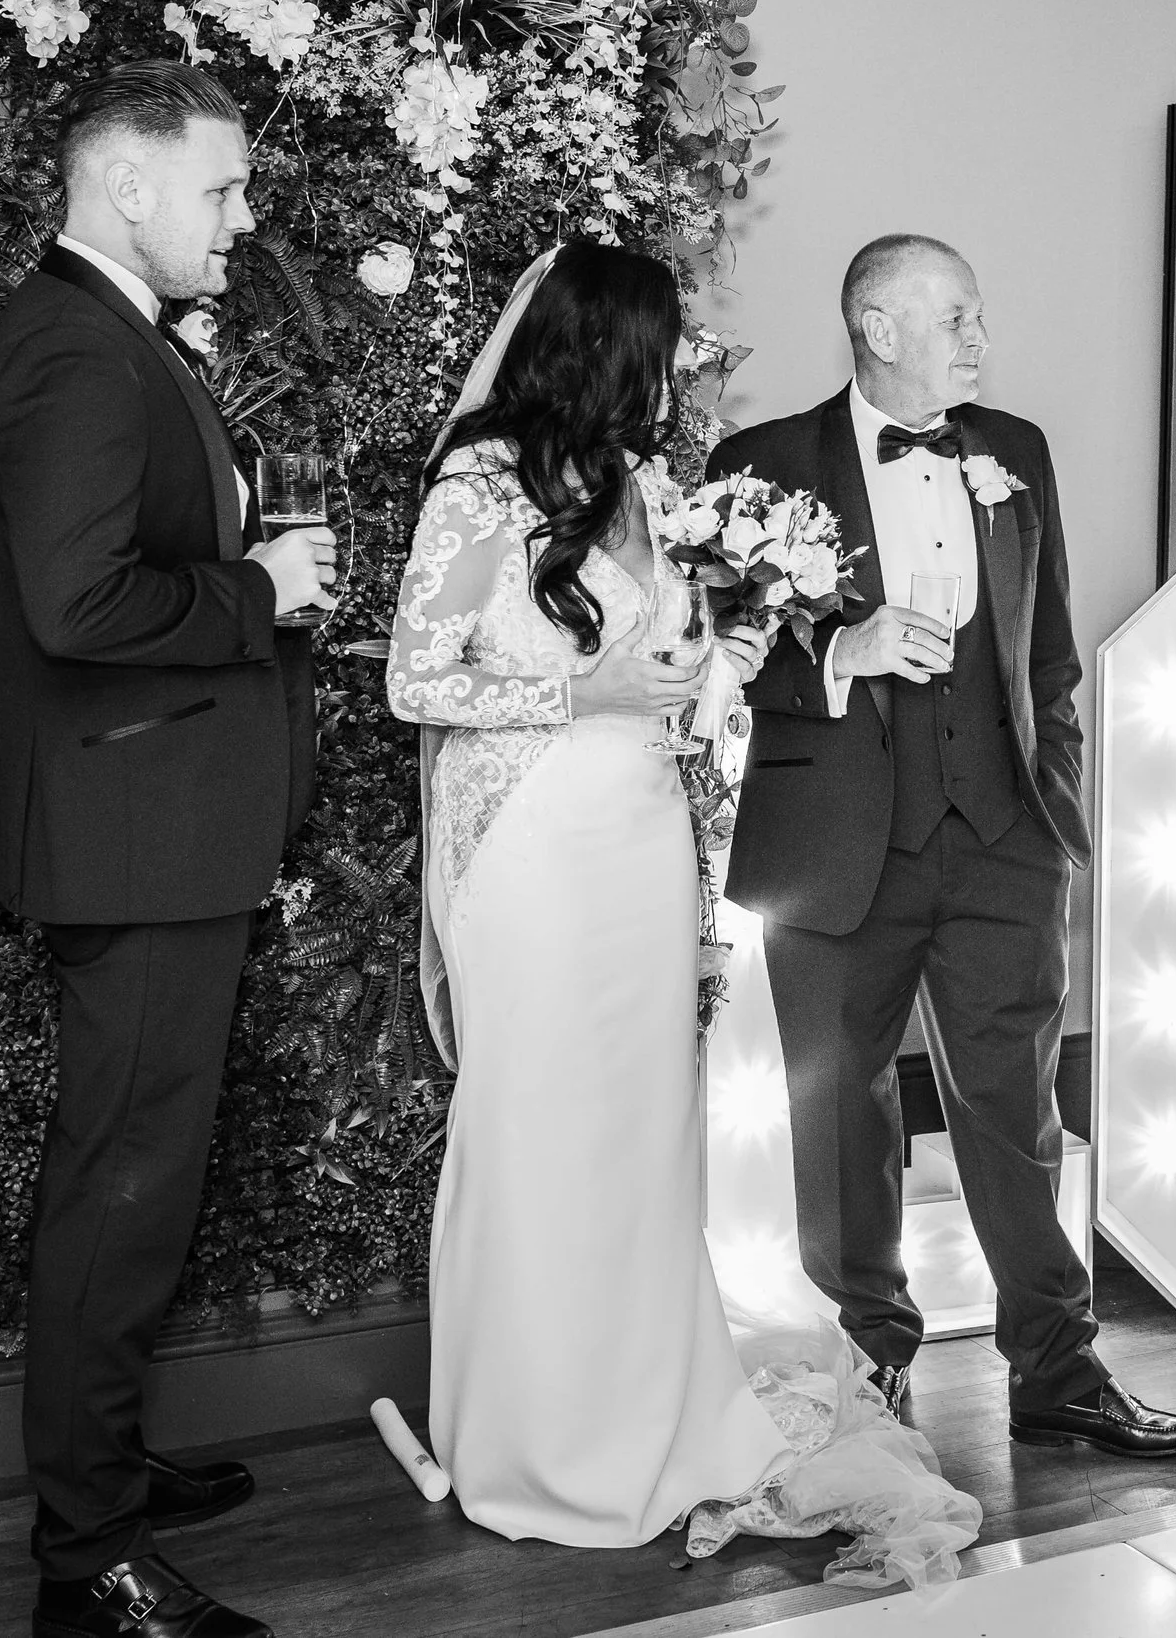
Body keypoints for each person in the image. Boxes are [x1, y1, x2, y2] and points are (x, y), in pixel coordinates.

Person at [387, 240, 980, 1582]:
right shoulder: (481, 482)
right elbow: (418, 681)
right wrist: (580, 699)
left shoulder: (658, 488)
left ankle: (652, 1410)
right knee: (540, 1131)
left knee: (647, 1137)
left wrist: (761, 631)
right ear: (605, 343)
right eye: (665, 340)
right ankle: (534, 1438)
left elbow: (697, 670)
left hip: (647, 844)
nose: (683, 365)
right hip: (532, 844)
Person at [706, 235, 1176, 1458]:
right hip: (831, 845)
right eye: (957, 317)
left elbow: (1049, 656)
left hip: (1002, 841)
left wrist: (1057, 816)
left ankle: (1058, 1367)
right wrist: (840, 653)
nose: (980, 341)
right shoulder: (756, 467)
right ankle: (867, 1363)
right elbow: (716, 657)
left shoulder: (1013, 451)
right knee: (840, 1118)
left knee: (1016, 1107)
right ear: (877, 325)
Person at [0, 61, 335, 1638]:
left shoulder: (108, 339)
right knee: (120, 1186)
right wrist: (262, 593)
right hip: (134, 839)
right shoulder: (76, 353)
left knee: (139, 1176)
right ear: (126, 185)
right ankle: (87, 1556)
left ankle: (104, 1463)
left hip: (161, 835)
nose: (241, 219)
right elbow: (78, 604)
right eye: (224, 188)